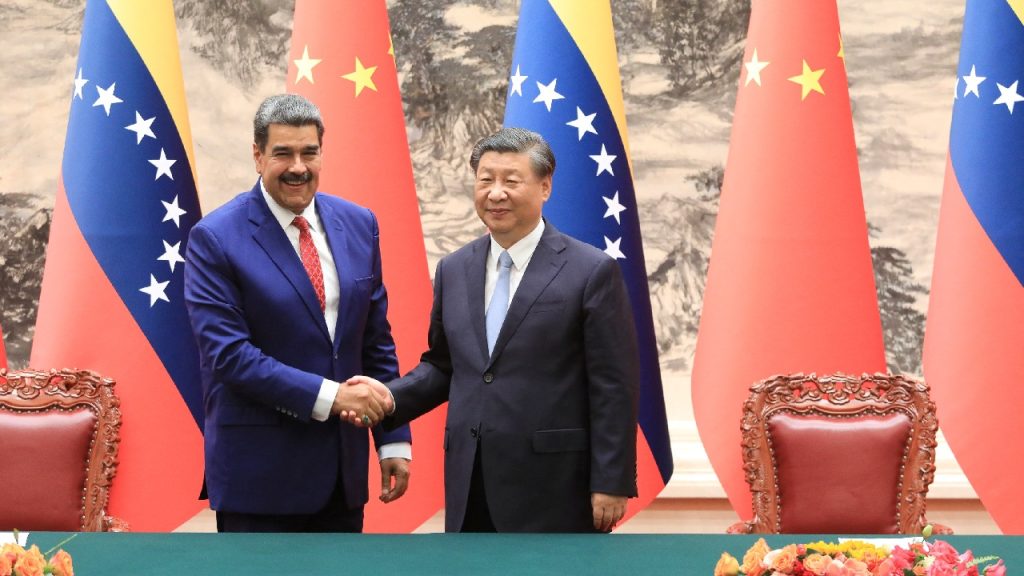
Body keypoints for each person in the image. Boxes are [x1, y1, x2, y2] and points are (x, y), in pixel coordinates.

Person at [346, 127, 640, 532]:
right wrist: (388, 398)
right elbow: (445, 366)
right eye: (485, 180)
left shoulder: (590, 271)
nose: (495, 193)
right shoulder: (454, 269)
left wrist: (612, 480)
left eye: (510, 181)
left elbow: (614, 385)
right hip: (471, 479)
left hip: (556, 486)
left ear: (545, 186)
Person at [184, 94, 410, 533]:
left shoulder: (360, 223)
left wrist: (392, 438)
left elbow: (374, 341)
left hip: (342, 479)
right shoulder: (214, 238)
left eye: (309, 152)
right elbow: (229, 356)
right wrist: (334, 397)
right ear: (257, 155)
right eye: (282, 153)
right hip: (260, 480)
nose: (298, 167)